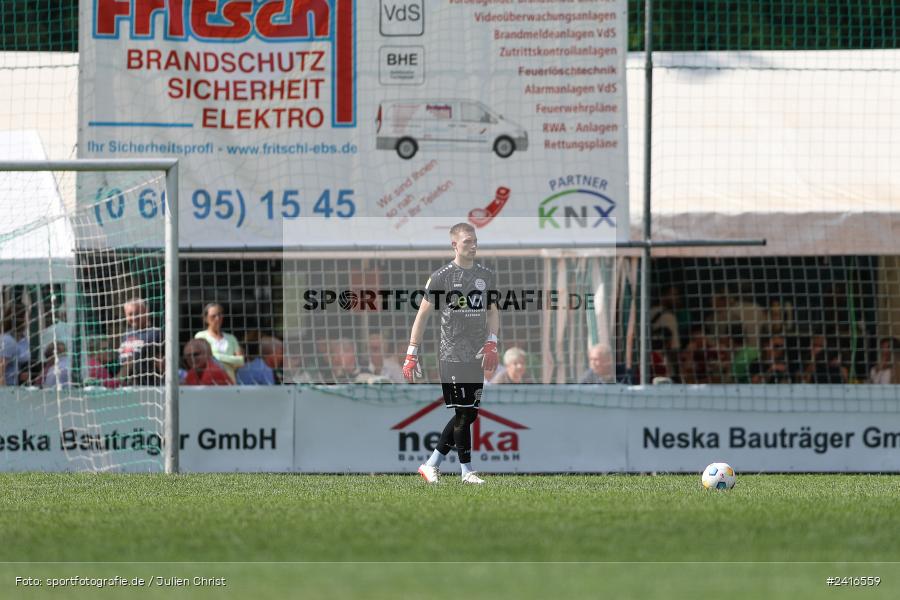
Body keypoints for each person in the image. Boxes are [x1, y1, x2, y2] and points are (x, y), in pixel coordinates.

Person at [403, 223, 500, 485]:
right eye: (468, 241)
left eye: (475, 240)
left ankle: (431, 463)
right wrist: (412, 352)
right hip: (451, 354)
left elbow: (492, 311)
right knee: (463, 412)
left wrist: (492, 341)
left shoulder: (486, 275)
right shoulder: (441, 277)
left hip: (476, 354)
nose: (473, 245)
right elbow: (422, 315)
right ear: (454, 245)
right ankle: (466, 471)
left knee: (469, 414)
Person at [194, 303, 245, 384]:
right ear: (206, 319)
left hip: (230, 382)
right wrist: (231, 361)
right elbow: (201, 361)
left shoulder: (231, 338)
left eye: (220, 315)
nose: (217, 318)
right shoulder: (200, 336)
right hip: (209, 382)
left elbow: (241, 361)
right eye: (213, 316)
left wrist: (216, 357)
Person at [118, 298, 163, 386]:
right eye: (130, 314)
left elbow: (161, 364)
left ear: (146, 312)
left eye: (137, 313)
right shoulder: (126, 335)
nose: (134, 317)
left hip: (148, 386)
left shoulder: (156, 333)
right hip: (126, 388)